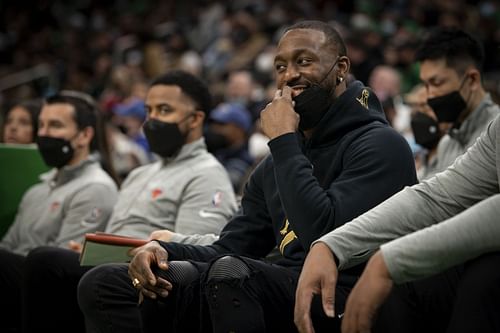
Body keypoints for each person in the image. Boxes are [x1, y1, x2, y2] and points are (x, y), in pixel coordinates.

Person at [77, 20, 417, 333]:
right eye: (281, 67)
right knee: (115, 281)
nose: (289, 76)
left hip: (350, 292)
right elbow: (234, 245)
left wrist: (284, 141)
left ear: (341, 68)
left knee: (231, 273)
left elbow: (324, 238)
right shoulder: (273, 165)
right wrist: (162, 250)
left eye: (304, 62)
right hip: (282, 283)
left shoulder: (380, 144)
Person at [19, 70, 238, 333]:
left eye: (164, 110)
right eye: (149, 110)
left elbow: (195, 254)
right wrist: (91, 248)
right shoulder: (139, 173)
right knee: (47, 261)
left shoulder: (207, 173)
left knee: (47, 262)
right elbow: (116, 233)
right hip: (112, 263)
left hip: (151, 273)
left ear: (195, 119)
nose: (152, 119)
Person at [294, 113, 500, 333]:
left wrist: (388, 261)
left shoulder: (381, 142)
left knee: (482, 278)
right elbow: (438, 197)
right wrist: (331, 246)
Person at [0, 90, 119, 333]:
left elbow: (61, 265)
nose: (44, 134)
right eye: (41, 125)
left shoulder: (95, 187)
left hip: (53, 295)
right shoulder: (37, 189)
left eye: (55, 125)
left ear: (84, 135)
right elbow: (9, 243)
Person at [414, 27, 499, 180]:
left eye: (437, 83)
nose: (429, 96)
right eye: (426, 85)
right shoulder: (446, 143)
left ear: (472, 80)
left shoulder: (495, 133)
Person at [204, 102, 254, 195]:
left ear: (239, 129)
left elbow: (221, 187)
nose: (214, 128)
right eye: (213, 124)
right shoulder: (215, 152)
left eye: (221, 124)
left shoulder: (243, 161)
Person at [406, 84, 444, 180]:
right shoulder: (423, 154)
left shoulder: (452, 149)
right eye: (415, 107)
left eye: (424, 107)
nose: (418, 114)